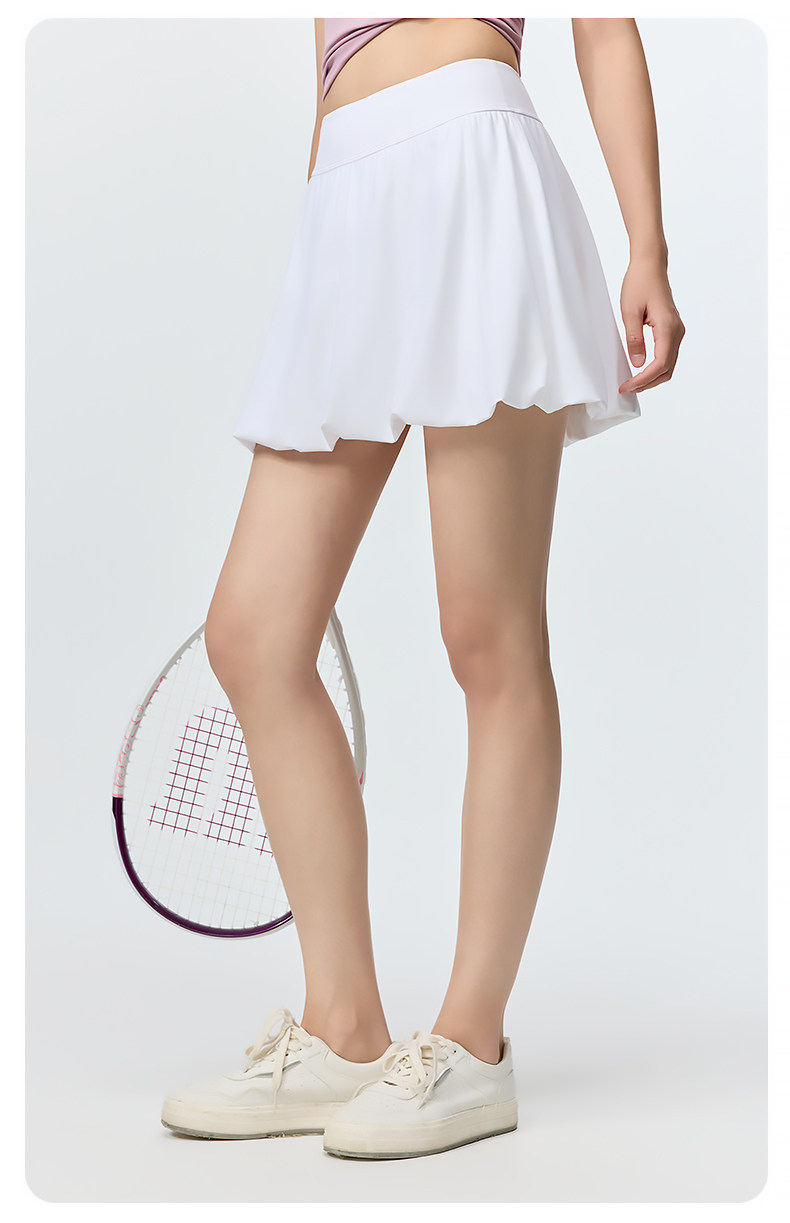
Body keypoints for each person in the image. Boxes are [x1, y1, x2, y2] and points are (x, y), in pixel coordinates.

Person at [161, 17, 685, 1161]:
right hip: (349, 199)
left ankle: (470, 1040)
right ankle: (343, 1026)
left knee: (486, 634)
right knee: (253, 634)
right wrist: (320, 233)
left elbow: (604, 28)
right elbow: (328, 62)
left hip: (473, 166)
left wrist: (645, 244)